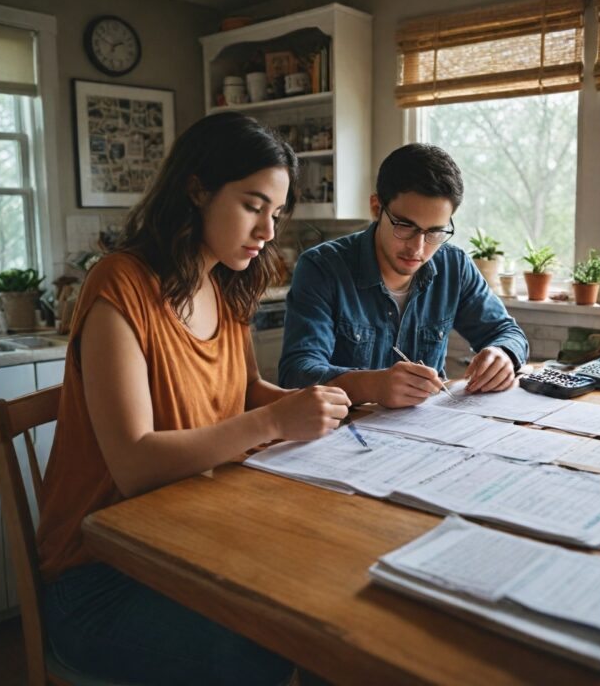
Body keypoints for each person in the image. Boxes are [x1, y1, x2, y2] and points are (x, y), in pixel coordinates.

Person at [36, 112, 351, 685]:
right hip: (101, 575)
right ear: (197, 188)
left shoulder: (224, 280)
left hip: (190, 539)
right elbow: (134, 464)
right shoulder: (119, 284)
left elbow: (243, 390)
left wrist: (320, 402)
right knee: (273, 651)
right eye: (253, 206)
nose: (268, 232)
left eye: (275, 214)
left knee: (326, 610)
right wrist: (275, 419)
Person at [279, 143, 529, 407]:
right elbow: (296, 374)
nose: (418, 248)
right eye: (405, 226)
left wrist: (503, 353)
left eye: (435, 232)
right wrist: (371, 386)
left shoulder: (454, 266)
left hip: (430, 431)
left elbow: (507, 332)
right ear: (376, 208)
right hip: (346, 433)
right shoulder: (322, 268)